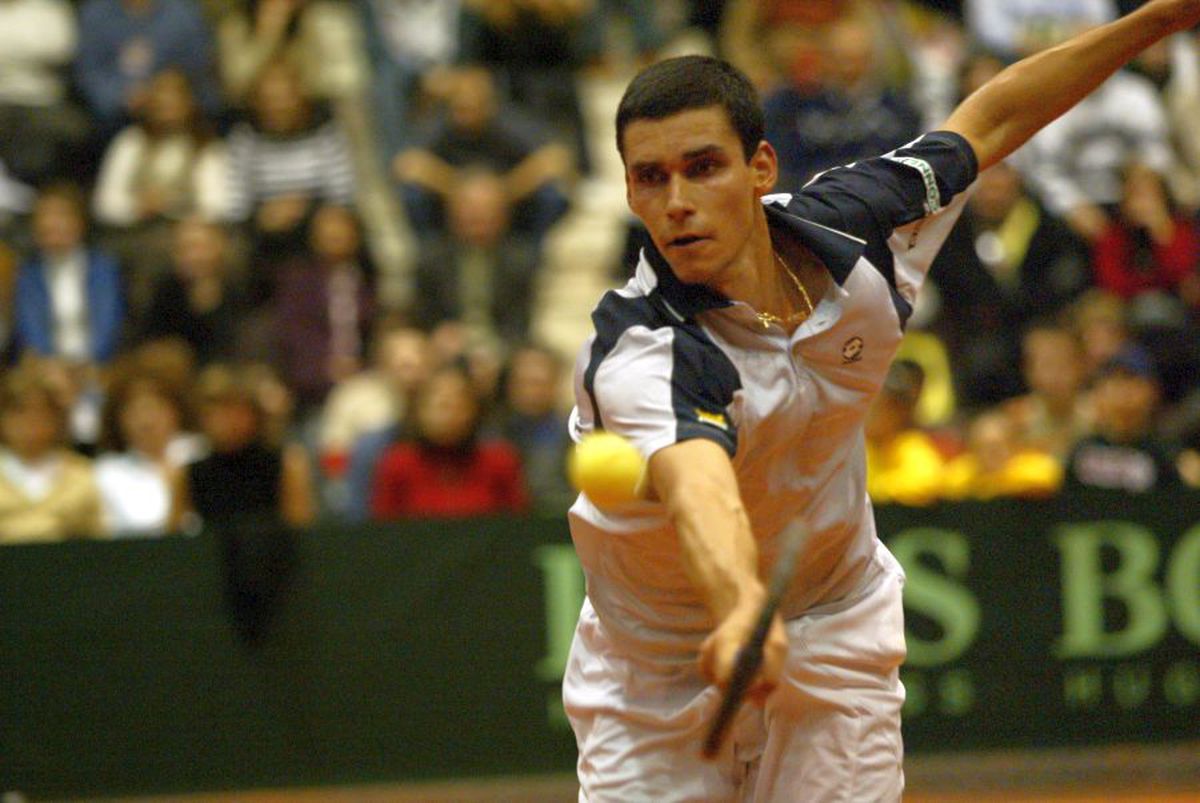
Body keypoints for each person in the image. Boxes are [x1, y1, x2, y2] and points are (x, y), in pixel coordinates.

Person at [562, 4, 1200, 799]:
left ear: (761, 167)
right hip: (655, 671)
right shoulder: (639, 348)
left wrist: (1157, 19)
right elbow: (701, 488)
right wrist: (740, 609)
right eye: (650, 177)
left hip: (835, 620)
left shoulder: (864, 225)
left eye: (703, 166)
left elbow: (996, 114)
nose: (677, 200)